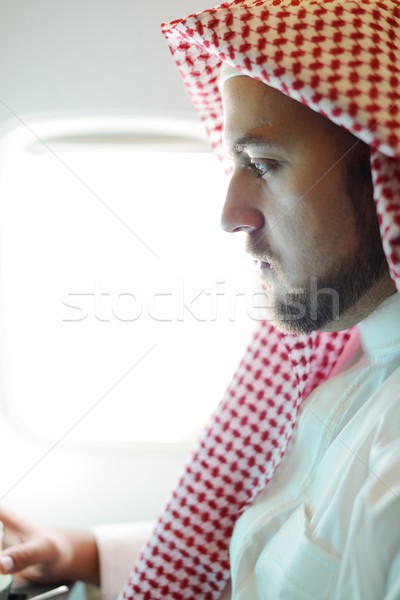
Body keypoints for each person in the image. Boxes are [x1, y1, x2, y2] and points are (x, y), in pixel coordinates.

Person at [1, 0, 400, 598]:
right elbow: (273, 552)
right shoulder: (355, 359)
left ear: (381, 162)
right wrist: (83, 554)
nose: (229, 217)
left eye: (263, 163)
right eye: (234, 162)